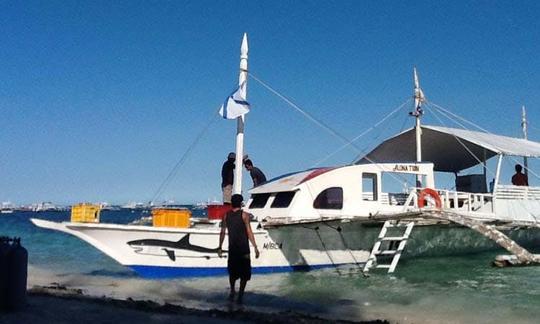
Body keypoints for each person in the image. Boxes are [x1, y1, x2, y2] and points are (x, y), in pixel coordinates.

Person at [217, 194, 260, 304]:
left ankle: (232, 291)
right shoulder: (244, 215)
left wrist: (220, 247)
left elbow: (222, 232)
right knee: (244, 274)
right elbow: (249, 231)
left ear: (231, 203)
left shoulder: (226, 215)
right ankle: (240, 295)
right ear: (241, 203)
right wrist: (255, 246)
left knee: (233, 273)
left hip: (233, 249)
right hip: (243, 249)